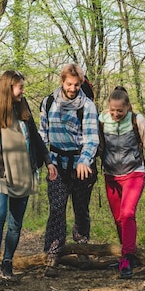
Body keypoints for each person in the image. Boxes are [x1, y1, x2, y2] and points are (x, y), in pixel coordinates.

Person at [0, 70, 57, 285]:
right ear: (8, 88)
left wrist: (48, 161)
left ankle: (7, 262)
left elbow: (36, 138)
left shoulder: (23, 108)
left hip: (24, 172)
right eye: (20, 86)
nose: (23, 90)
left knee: (15, 224)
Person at [39, 63, 99, 277]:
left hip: (81, 165)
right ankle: (54, 253)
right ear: (62, 81)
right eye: (69, 84)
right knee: (56, 208)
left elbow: (92, 138)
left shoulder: (88, 106)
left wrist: (85, 160)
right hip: (56, 164)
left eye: (76, 84)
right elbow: (42, 135)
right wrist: (44, 161)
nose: (73, 88)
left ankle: (82, 248)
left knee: (81, 209)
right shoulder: (48, 103)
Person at [99, 86, 145, 278]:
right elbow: (95, 143)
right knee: (118, 218)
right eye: (113, 110)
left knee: (127, 213)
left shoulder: (137, 120)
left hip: (134, 172)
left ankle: (126, 257)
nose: (116, 114)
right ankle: (127, 252)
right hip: (111, 175)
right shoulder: (102, 120)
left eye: (120, 111)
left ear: (128, 107)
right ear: (108, 107)